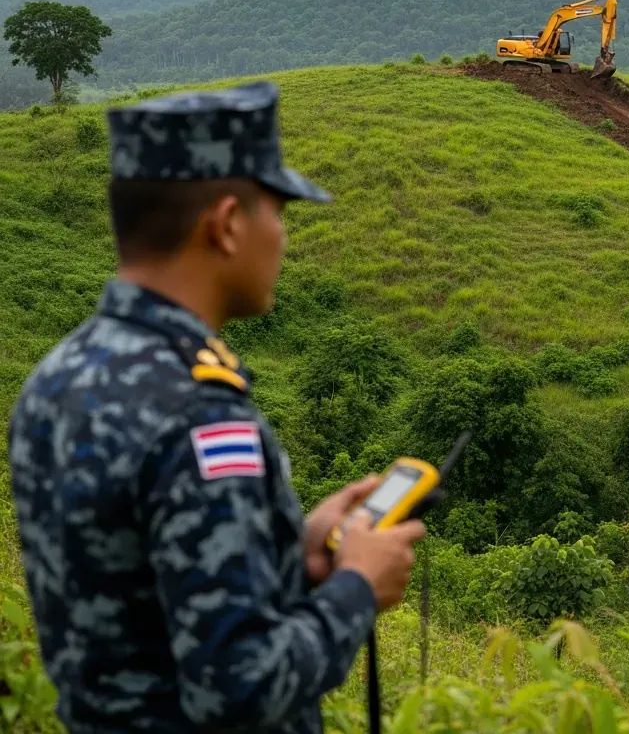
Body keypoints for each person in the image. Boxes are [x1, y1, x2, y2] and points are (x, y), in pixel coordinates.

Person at [8, 81, 425, 733]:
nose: (284, 237)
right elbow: (240, 688)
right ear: (227, 224)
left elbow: (139, 610)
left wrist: (291, 553)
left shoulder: (56, 378)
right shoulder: (200, 413)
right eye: (278, 212)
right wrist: (356, 591)